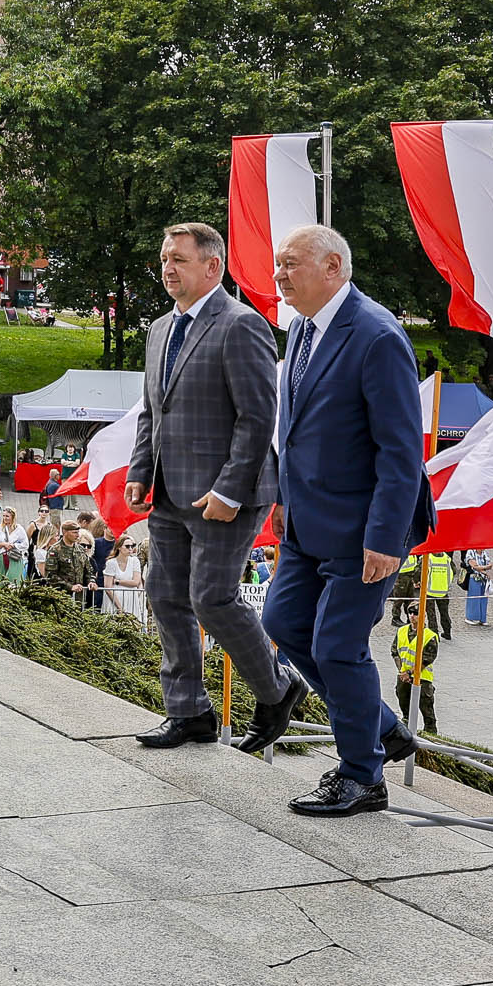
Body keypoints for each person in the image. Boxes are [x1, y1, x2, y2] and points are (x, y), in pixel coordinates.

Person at [260, 225, 435, 818]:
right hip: (308, 523)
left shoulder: (377, 335)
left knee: (337, 647)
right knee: (283, 624)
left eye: (290, 265)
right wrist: (283, 496)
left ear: (334, 267)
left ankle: (363, 776)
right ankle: (381, 726)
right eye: (278, 265)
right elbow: (295, 427)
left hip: (365, 532)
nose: (279, 275)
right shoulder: (303, 326)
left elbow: (400, 450)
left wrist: (385, 537)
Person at [124, 223, 304, 753]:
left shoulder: (241, 325)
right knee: (164, 594)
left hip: (230, 494)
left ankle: (277, 688)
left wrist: (229, 490)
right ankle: (189, 713)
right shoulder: (160, 329)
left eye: (178, 259)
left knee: (212, 598)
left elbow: (256, 417)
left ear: (212, 266)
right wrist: (140, 470)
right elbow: (150, 413)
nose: (168, 268)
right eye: (164, 259)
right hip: (169, 492)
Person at [392, 616, 440, 735]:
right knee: (405, 710)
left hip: (422, 678)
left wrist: (409, 673)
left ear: (424, 616)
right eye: (410, 612)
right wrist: (402, 672)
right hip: (404, 678)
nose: (412, 615)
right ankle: (408, 735)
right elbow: (394, 652)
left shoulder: (430, 635)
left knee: (427, 713)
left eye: (416, 612)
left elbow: (427, 659)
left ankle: (431, 740)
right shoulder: (401, 631)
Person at [105, 535, 147, 621]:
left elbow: (136, 582)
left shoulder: (135, 561)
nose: (130, 548)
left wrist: (117, 581)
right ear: (119, 547)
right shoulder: (111, 562)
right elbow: (108, 588)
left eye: (132, 546)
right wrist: (119, 607)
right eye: (127, 546)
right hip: (114, 599)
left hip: (131, 599)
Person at [464, 548, 493, 625]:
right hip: (474, 577)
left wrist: (481, 568)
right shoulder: (470, 552)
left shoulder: (484, 553)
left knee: (484, 598)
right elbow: (474, 566)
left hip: (483, 578)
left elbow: (490, 565)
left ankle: (482, 618)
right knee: (474, 597)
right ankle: (470, 617)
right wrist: (485, 569)